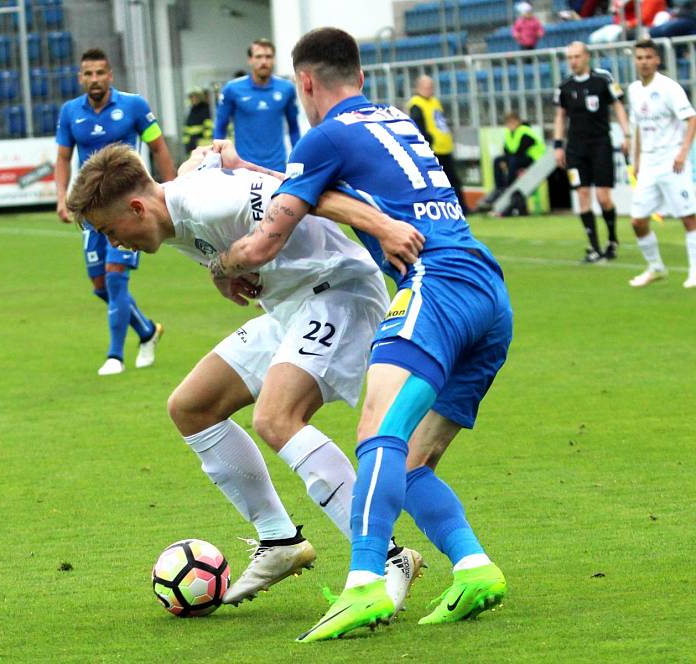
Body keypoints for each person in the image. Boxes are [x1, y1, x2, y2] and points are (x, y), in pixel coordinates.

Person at [208, 27, 512, 641]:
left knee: (377, 432)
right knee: (416, 459)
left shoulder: (324, 136)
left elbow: (271, 235)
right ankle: (475, 568)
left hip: (436, 288)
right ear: (362, 78)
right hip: (489, 294)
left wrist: (224, 264)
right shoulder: (393, 118)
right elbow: (319, 187)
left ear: (306, 82)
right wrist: (250, 167)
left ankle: (366, 582)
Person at [64, 142, 427, 612]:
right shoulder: (175, 199)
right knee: (192, 407)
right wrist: (217, 152)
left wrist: (384, 227)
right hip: (290, 307)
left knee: (277, 418)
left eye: (111, 231)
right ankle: (279, 540)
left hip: (340, 293)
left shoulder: (214, 202)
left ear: (136, 206)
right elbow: (204, 158)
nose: (116, 244)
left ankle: (386, 558)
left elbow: (307, 193)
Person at [55, 48, 175, 375]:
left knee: (116, 279)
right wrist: (61, 197)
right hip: (92, 215)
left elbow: (158, 147)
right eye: (88, 74)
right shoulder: (70, 113)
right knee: (99, 286)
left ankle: (115, 356)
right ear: (81, 78)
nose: (94, 79)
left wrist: (173, 188)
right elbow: (64, 157)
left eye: (100, 73)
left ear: (110, 75)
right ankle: (148, 331)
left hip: (126, 211)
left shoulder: (134, 107)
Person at [625, 39, 696, 288]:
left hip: (672, 161)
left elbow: (691, 119)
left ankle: (695, 270)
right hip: (649, 164)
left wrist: (683, 152)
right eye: (640, 58)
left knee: (689, 217)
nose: (644, 62)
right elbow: (638, 128)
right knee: (638, 221)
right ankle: (656, 267)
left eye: (648, 57)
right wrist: (636, 160)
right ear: (635, 61)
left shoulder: (669, 88)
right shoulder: (634, 90)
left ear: (657, 60)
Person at [554, 41, 630, 262]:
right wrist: (558, 146)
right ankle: (594, 247)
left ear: (586, 56)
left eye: (577, 56)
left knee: (603, 196)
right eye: (569, 58)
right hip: (576, 148)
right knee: (583, 194)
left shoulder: (603, 79)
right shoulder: (564, 86)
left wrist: (627, 134)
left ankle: (612, 240)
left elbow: (618, 106)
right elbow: (560, 116)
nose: (573, 61)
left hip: (600, 145)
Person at [213, 39, 301, 172]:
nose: (264, 62)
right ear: (250, 60)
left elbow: (294, 128)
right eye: (259, 57)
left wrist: (298, 161)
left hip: (278, 168)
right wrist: (218, 161)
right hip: (244, 168)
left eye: (268, 57)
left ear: (274, 60)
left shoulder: (286, 89)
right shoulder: (232, 89)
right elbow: (220, 127)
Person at [407, 75, 468, 213]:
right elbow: (418, 126)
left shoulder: (434, 101)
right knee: (439, 182)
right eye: (427, 87)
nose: (430, 90)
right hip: (433, 149)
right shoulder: (416, 104)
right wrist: (429, 140)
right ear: (419, 88)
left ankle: (462, 208)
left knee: (453, 180)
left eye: (431, 87)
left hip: (445, 147)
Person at [477, 111, 545, 214]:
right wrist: (504, 160)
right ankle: (499, 187)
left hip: (533, 158)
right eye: (508, 123)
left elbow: (521, 150)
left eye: (512, 123)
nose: (510, 125)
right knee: (498, 160)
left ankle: (509, 185)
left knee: (513, 160)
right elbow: (506, 150)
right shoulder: (509, 133)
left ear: (518, 122)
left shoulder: (525, 131)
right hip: (518, 158)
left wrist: (507, 160)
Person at [588, 0, 668, 43]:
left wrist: (629, 24)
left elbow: (644, 18)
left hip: (644, 28)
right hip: (625, 26)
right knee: (594, 38)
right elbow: (617, 14)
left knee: (612, 36)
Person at [182, 87, 213, 153]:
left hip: (202, 145)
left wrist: (205, 144)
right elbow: (187, 129)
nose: (192, 99)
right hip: (192, 145)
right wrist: (187, 144)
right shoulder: (192, 110)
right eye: (191, 97)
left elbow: (208, 129)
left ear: (200, 97)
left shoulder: (205, 109)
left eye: (194, 97)